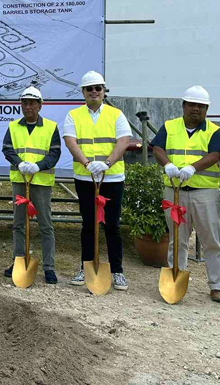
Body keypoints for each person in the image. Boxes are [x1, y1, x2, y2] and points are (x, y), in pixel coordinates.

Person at [150, 85, 220, 303]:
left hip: (204, 193)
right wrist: (166, 165)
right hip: (175, 192)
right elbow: (157, 148)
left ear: (207, 109)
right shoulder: (169, 126)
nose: (196, 109)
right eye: (192, 104)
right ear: (183, 106)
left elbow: (215, 154)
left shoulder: (213, 131)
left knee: (211, 240)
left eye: (201, 106)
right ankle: (176, 278)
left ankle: (216, 285)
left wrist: (193, 167)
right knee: (177, 239)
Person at [63, 71, 132, 290]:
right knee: (88, 224)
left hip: (111, 178)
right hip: (85, 177)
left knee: (112, 225)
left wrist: (107, 163)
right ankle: (86, 267)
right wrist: (87, 164)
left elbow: (123, 141)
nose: (94, 92)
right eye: (89, 88)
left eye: (98, 88)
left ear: (103, 91)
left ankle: (117, 271)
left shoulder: (116, 114)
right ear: (83, 92)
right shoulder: (73, 115)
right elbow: (70, 142)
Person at [1, 86, 61, 284]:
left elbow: (55, 153)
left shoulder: (51, 127)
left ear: (40, 105)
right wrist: (20, 164)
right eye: (24, 103)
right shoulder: (13, 126)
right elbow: (7, 150)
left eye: (32, 103)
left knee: (45, 225)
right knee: (18, 224)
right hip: (20, 181)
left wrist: (38, 166)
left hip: (41, 183)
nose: (28, 107)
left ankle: (49, 267)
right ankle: (18, 261)